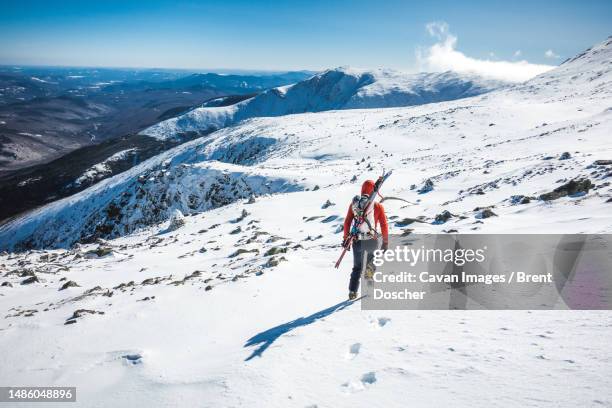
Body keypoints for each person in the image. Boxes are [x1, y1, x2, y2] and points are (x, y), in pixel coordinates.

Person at [343, 179, 389, 300]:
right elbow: (384, 225)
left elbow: (347, 222)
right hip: (371, 240)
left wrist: (346, 238)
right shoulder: (378, 206)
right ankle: (369, 290)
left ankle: (352, 292)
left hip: (357, 240)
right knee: (370, 266)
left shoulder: (354, 205)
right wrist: (385, 242)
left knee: (357, 267)